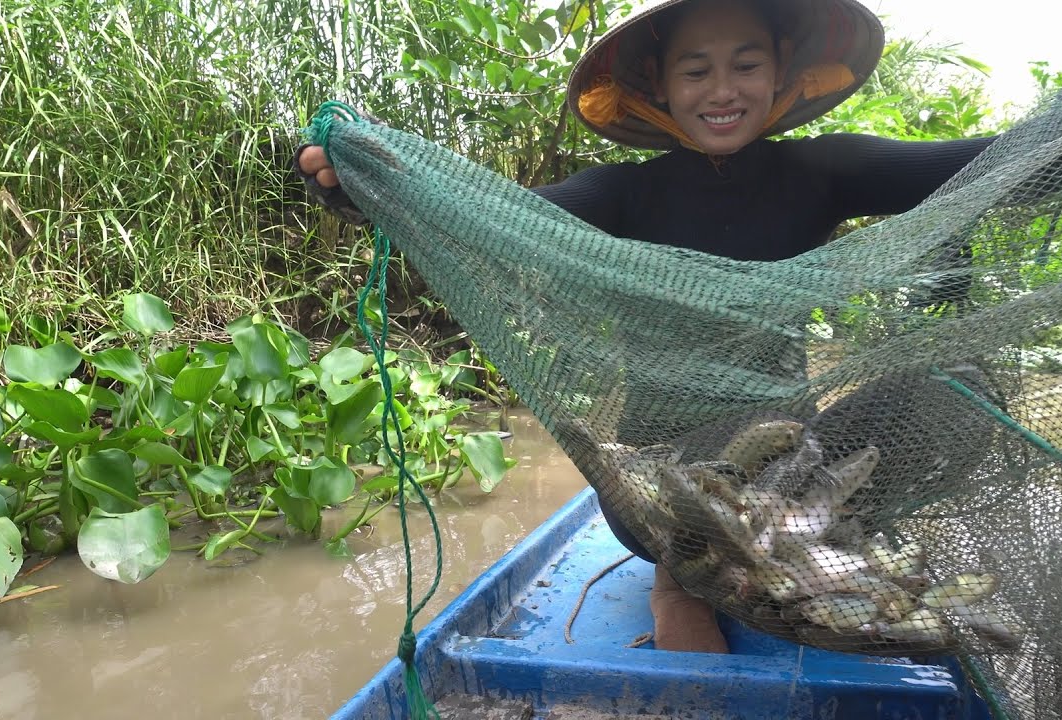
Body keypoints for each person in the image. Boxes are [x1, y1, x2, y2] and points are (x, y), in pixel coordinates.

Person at [294, 0, 1001, 655]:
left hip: (794, 465)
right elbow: (487, 217)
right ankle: (681, 581)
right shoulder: (622, 192)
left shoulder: (826, 169)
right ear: (659, 87)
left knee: (960, 386)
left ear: (781, 71)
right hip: (661, 492)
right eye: (697, 70)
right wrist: (367, 187)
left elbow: (991, 162)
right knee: (683, 533)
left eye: (746, 65)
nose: (722, 89)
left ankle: (807, 554)